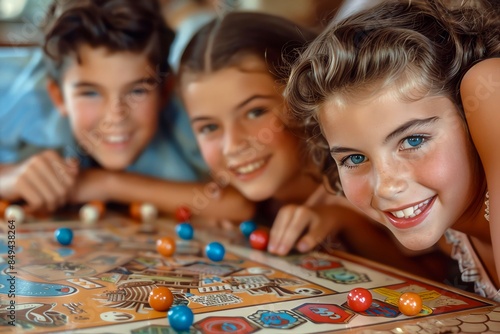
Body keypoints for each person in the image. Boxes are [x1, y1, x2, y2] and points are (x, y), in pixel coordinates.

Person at [176, 10, 453, 280]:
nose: (232, 145)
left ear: (304, 97)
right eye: (209, 127)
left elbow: (444, 287)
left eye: (255, 112)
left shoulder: (369, 179)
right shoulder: (252, 200)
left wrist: (348, 223)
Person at [286, 0, 500, 300]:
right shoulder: (448, 230)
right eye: (355, 158)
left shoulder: (488, 85)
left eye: (413, 141)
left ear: (470, 115)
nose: (387, 186)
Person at [0, 0, 254, 221]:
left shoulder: (190, 106)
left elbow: (240, 203)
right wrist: (9, 178)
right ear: (58, 96)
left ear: (165, 90)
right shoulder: (19, 90)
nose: (116, 115)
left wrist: (106, 183)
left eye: (137, 91)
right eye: (90, 92)